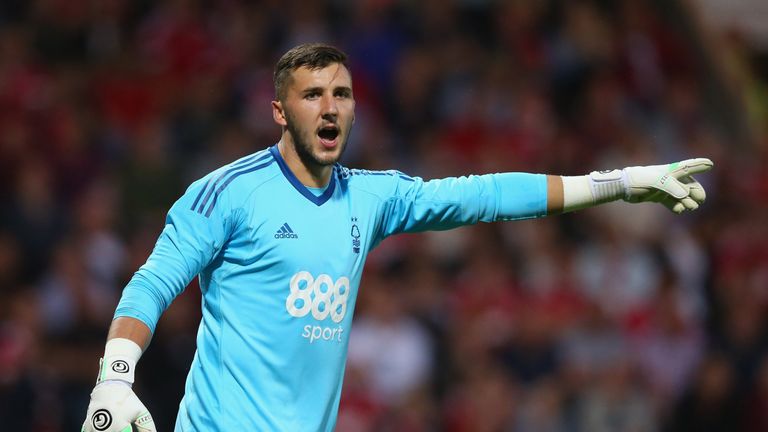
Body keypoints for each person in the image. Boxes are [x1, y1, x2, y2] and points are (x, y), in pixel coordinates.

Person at [82, 43, 712, 432]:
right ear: (280, 112)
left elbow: (486, 196)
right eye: (311, 96)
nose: (330, 108)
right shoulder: (227, 193)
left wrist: (620, 183)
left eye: (342, 94)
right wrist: (115, 376)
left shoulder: (373, 196)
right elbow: (152, 282)